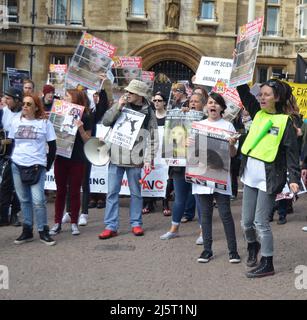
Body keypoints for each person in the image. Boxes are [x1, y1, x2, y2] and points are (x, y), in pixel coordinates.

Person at [237, 78, 301, 278]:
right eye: (260, 94)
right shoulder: (257, 112)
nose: (261, 98)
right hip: (250, 177)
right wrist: (240, 66)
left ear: (277, 97)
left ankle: (267, 262)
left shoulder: (285, 122)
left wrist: (294, 179)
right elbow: (243, 93)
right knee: (246, 223)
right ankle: (253, 246)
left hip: (269, 179)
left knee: (260, 223)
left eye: (266, 94)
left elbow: (292, 153)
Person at [98, 79, 158, 239]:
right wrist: (118, 106)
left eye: (131, 92)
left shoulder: (149, 112)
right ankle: (111, 226)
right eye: (128, 91)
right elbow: (106, 121)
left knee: (136, 193)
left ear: (139, 95)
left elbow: (153, 136)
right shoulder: (121, 104)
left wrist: (148, 158)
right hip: (116, 155)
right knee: (112, 193)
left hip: (135, 158)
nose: (127, 94)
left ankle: (136, 223)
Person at [193, 92, 241, 264]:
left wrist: (232, 145)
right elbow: (192, 153)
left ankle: (233, 251)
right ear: (206, 106)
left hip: (221, 175)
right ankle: (207, 250)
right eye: (210, 102)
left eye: (216, 103)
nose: (213, 105)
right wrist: (188, 146)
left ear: (222, 108)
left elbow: (233, 154)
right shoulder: (198, 125)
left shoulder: (228, 126)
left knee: (225, 214)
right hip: (202, 175)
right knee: (205, 215)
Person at [9, 94, 57, 245]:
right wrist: (13, 159)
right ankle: (27, 230)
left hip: (37, 166)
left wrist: (46, 165)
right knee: (24, 199)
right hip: (17, 164)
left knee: (38, 200)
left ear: (36, 107)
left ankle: (43, 230)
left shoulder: (44, 123)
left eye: (29, 104)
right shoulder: (15, 121)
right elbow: (12, 142)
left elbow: (53, 147)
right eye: (23, 103)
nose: (24, 106)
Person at [49, 89, 92, 236]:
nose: (63, 97)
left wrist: (80, 127)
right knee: (60, 191)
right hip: (61, 157)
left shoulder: (86, 116)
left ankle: (74, 222)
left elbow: (88, 140)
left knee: (74, 191)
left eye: (67, 96)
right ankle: (57, 223)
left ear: (75, 98)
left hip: (77, 159)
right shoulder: (59, 113)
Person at [0, 88, 22, 227]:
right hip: (5, 153)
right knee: (5, 185)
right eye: (5, 98)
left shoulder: (23, 114)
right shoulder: (2, 112)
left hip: (19, 153)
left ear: (17, 100)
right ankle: (3, 216)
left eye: (9, 99)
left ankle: (15, 214)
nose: (5, 101)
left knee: (19, 187)